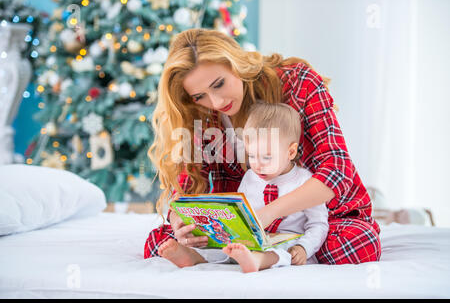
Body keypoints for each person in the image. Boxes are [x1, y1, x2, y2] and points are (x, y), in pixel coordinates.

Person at [144, 28, 381, 265]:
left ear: (236, 64)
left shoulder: (299, 83)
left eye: (219, 84)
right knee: (158, 242)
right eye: (200, 96)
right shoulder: (202, 115)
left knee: (354, 244)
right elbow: (186, 187)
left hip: (317, 217)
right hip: (246, 227)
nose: (215, 102)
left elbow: (337, 170)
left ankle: (287, 252)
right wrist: (179, 222)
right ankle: (239, 255)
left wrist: (267, 214)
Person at [157, 102, 329, 272]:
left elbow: (319, 224)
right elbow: (240, 211)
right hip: (252, 240)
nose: (257, 165)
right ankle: (194, 256)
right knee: (225, 246)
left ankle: (258, 260)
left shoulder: (306, 181)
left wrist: (304, 247)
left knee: (282, 252)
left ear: (290, 152)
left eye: (266, 157)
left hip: (289, 241)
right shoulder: (250, 177)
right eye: (252, 155)